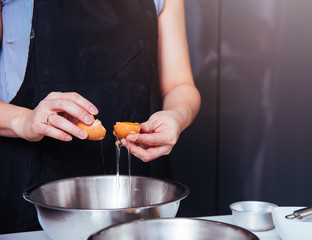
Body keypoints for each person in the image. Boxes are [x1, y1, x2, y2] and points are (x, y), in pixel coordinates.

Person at [0, 0, 201, 234]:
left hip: (140, 193)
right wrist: (24, 121)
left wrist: (176, 116)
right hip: (33, 199)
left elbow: (181, 84)